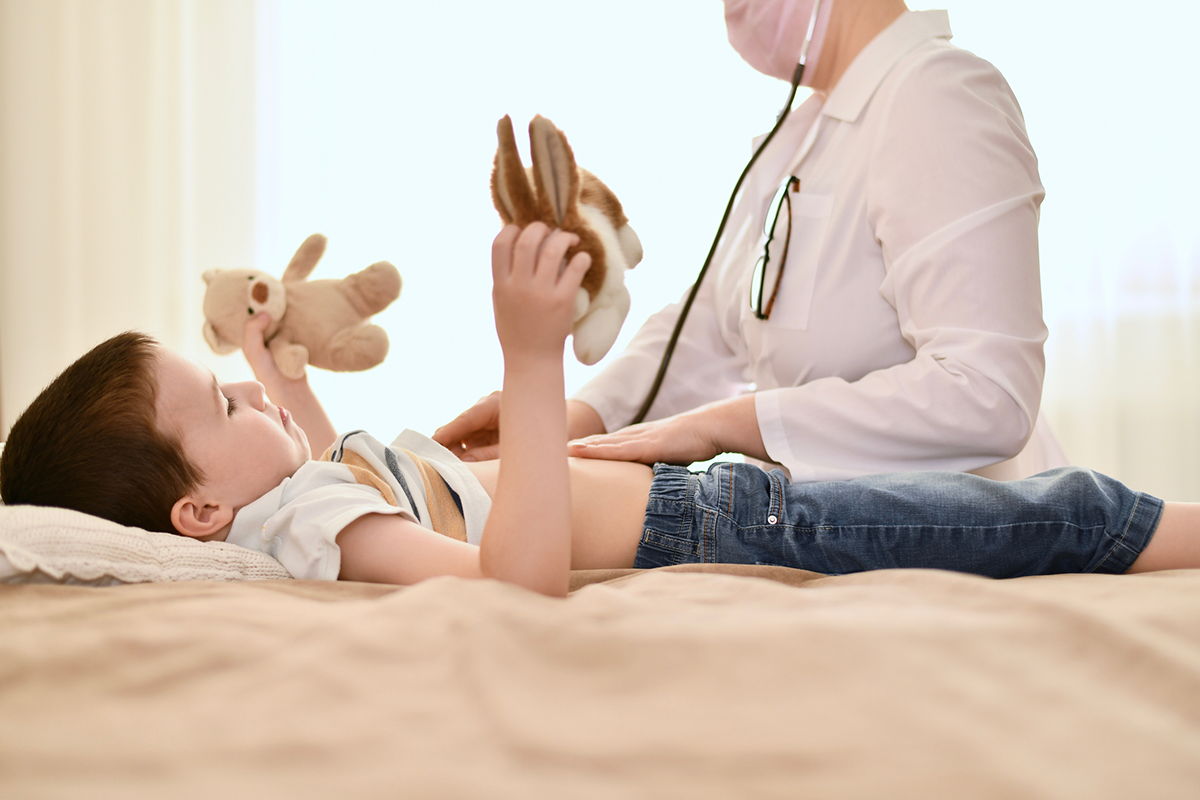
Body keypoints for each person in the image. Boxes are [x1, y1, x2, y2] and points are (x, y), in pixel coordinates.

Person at [1, 223, 1198, 597]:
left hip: (712, 498)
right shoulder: (314, 537)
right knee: (1038, 515)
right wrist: (530, 366)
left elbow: (330, 467)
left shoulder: (295, 503)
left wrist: (289, 380)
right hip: (725, 526)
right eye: (223, 399)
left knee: (1002, 508)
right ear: (201, 508)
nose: (250, 388)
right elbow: (511, 580)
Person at [434, 0, 1068, 483]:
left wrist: (726, 426)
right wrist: (572, 420)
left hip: (949, 544)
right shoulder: (800, 135)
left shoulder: (939, 96)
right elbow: (711, 325)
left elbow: (989, 395)